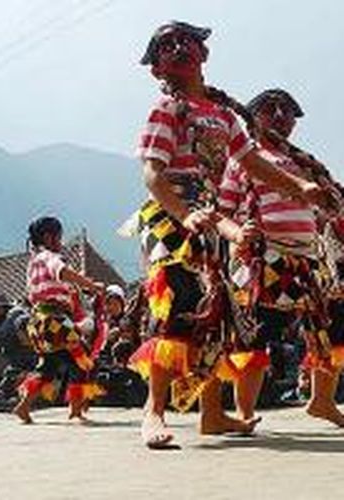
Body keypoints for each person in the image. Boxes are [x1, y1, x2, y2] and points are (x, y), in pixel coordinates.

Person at [129, 21, 331, 449]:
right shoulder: (165, 108)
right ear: (157, 68)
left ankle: (214, 415)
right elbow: (153, 175)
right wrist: (185, 216)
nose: (180, 48)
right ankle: (154, 411)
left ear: (204, 54)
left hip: (214, 214)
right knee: (180, 301)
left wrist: (302, 188)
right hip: (171, 215)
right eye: (168, 45)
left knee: (219, 316)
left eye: (187, 41)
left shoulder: (223, 114)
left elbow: (253, 163)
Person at [217, 88, 344, 426]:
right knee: (256, 332)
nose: (279, 116)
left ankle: (322, 401)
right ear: (253, 117)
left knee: (330, 328)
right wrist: (237, 239)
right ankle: (244, 412)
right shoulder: (243, 158)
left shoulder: (304, 162)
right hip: (263, 257)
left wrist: (327, 202)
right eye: (269, 109)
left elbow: (331, 208)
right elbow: (224, 211)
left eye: (287, 111)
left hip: (309, 259)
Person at [13, 216, 106, 424]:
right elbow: (62, 272)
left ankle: (24, 406)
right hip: (53, 319)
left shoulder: (33, 262)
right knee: (83, 360)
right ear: (48, 237)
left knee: (48, 366)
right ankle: (75, 412)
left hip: (38, 322)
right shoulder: (48, 256)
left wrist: (80, 287)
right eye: (59, 238)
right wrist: (91, 285)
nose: (61, 243)